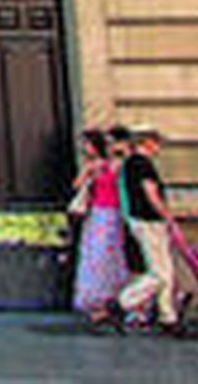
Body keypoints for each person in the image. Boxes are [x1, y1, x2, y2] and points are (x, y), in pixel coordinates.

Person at [110, 127, 192, 338]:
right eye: (157, 143)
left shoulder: (129, 164)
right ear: (147, 143)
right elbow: (151, 193)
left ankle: (169, 318)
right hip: (149, 222)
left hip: (141, 220)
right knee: (159, 273)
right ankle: (122, 303)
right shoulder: (142, 164)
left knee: (166, 271)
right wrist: (167, 216)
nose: (158, 148)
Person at [70, 129, 129, 325]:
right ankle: (95, 296)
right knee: (95, 254)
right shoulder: (92, 166)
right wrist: (87, 173)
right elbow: (77, 185)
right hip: (97, 212)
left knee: (109, 254)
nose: (84, 148)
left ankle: (112, 296)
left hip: (113, 213)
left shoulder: (117, 164)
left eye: (87, 144)